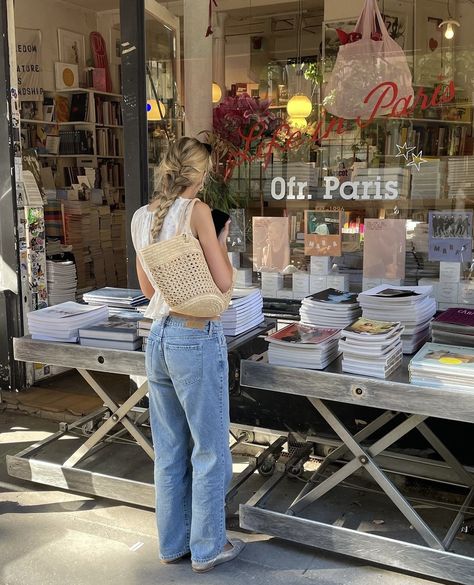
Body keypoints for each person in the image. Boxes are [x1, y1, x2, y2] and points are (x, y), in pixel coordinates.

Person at [131, 137, 245, 573]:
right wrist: (219, 239)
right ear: (200, 173)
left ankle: (173, 544)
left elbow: (146, 291)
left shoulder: (142, 217)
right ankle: (208, 548)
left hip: (157, 336)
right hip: (194, 336)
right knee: (211, 448)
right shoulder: (198, 213)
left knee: (171, 448)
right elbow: (221, 283)